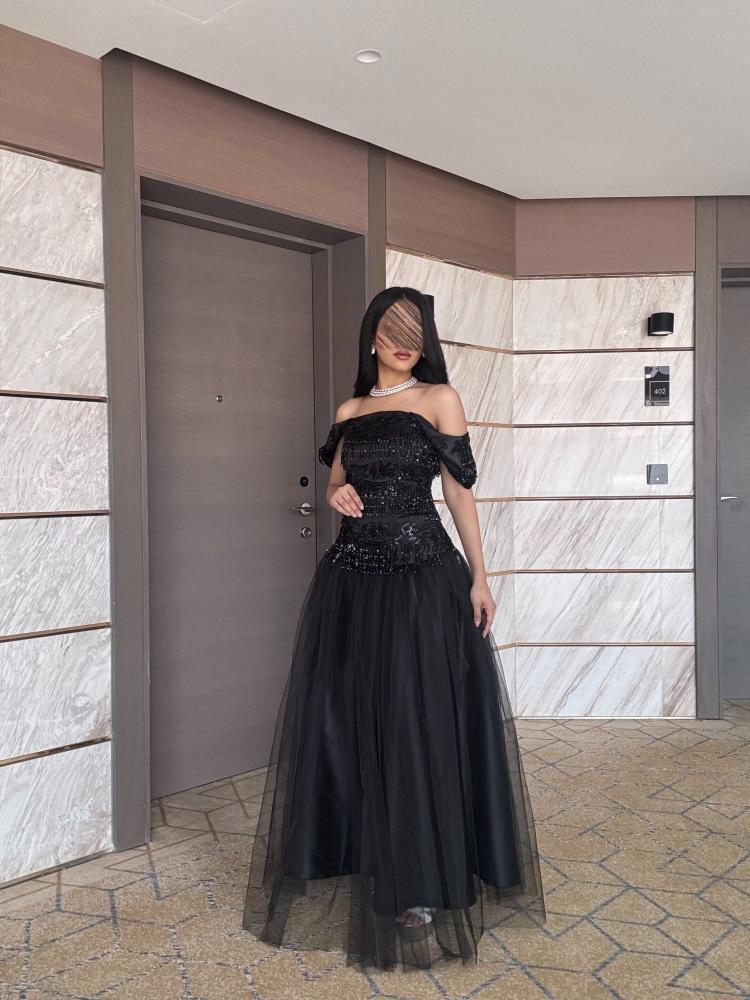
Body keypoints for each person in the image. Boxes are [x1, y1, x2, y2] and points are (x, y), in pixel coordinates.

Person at [242, 286, 546, 972]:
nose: (405, 340)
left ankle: (422, 881)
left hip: (420, 579)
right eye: (393, 328)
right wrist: (335, 492)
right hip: (352, 580)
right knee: (351, 717)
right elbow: (337, 484)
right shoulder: (349, 411)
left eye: (416, 329)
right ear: (372, 336)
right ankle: (359, 850)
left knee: (413, 718)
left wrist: (481, 576)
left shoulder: (440, 398)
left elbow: (458, 490)